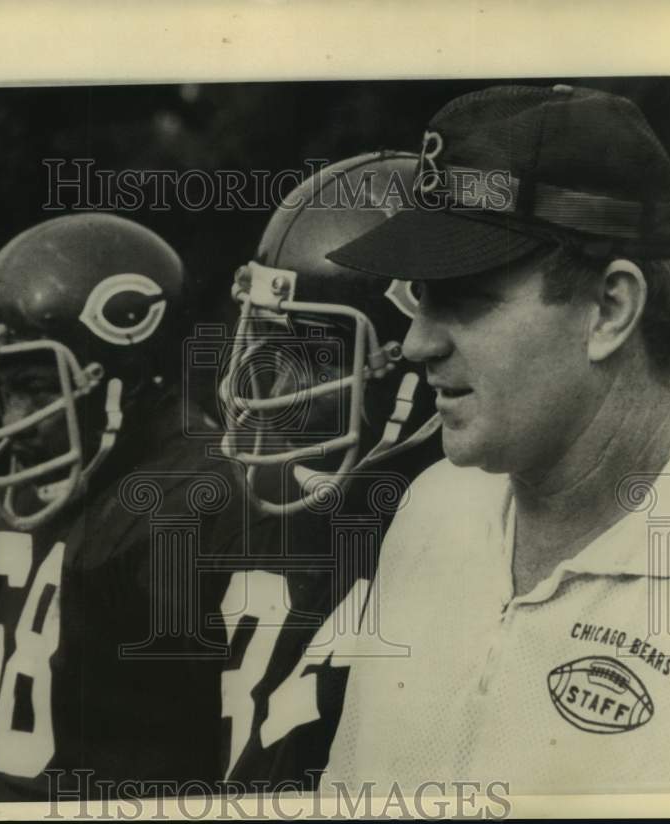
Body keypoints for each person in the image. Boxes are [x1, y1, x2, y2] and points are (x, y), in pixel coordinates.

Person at [321, 84, 670, 794]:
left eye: (465, 297)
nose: (416, 342)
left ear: (610, 309)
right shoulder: (432, 509)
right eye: (419, 297)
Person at [0, 213, 236, 801]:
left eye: (35, 386)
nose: (13, 423)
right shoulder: (42, 478)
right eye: (3, 385)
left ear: (128, 377)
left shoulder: (196, 504)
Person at [212, 152, 443, 789]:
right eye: (268, 346)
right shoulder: (266, 509)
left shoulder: (467, 531)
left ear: (412, 355)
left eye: (315, 356)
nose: (272, 389)